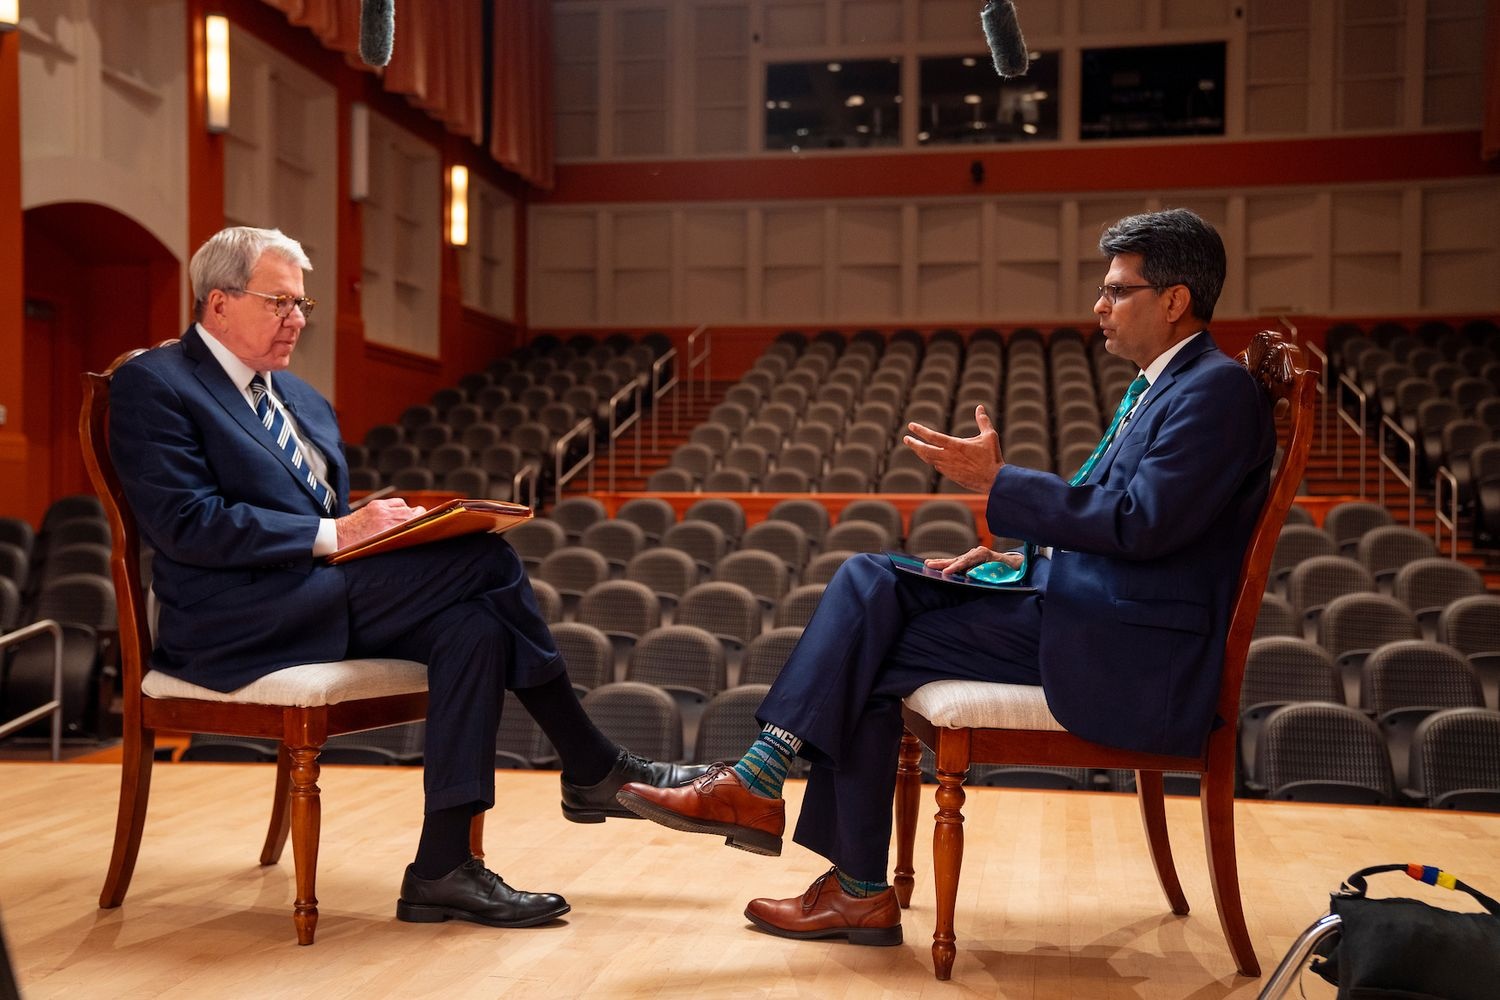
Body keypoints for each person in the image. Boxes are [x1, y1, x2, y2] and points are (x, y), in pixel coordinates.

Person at [616, 208, 1276, 946]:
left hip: (1130, 651)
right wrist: (1014, 556)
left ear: (1175, 300)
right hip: (1092, 610)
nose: (1099, 305)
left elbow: (1140, 524)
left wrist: (999, 482)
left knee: (868, 628)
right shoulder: (1171, 386)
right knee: (871, 590)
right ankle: (822, 853)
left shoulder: (1214, 391)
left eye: (1118, 290)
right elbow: (1128, 522)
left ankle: (799, 822)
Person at [108, 226, 705, 930]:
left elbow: (319, 515)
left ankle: (441, 868)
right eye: (280, 303)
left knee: (474, 624)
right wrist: (341, 532)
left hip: (310, 592)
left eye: (302, 305)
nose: (298, 319)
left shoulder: (299, 398)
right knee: (483, 560)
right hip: (228, 618)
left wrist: (373, 525)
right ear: (218, 304)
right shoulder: (156, 384)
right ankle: (592, 763)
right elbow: (188, 524)